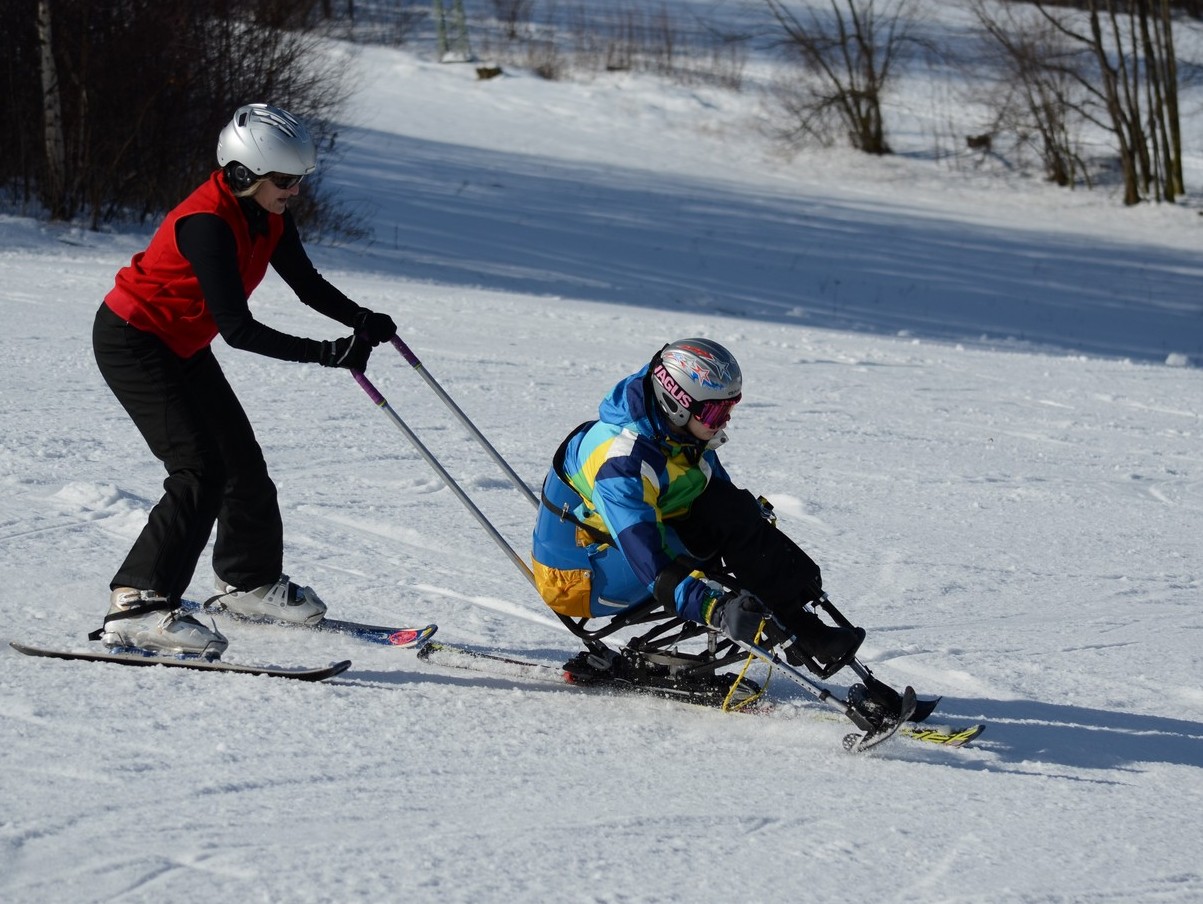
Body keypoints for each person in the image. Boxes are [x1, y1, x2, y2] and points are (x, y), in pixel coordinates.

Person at [90, 103, 397, 658]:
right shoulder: (207, 224)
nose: (295, 191)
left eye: (299, 180)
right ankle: (137, 603)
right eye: (284, 181)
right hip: (134, 340)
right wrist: (326, 353)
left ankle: (248, 584)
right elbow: (237, 329)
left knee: (241, 460)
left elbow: (305, 283)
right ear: (241, 175)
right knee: (198, 470)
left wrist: (360, 319)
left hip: (180, 343)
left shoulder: (268, 213)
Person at [531, 338, 862, 670]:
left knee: (732, 513)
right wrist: (713, 610)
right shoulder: (623, 464)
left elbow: (723, 502)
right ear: (677, 403)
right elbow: (650, 560)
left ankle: (807, 629)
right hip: (578, 577)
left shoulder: (680, 435)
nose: (725, 420)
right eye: (717, 411)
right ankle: (793, 629)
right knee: (701, 538)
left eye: (730, 408)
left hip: (624, 543)